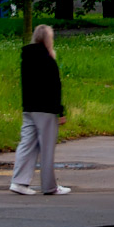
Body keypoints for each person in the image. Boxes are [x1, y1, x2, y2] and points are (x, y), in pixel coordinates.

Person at [9, 24, 70, 196]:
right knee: (47, 149)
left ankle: (18, 182)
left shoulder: (27, 57)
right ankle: (50, 186)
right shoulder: (48, 60)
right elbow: (55, 87)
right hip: (46, 109)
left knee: (26, 144)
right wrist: (60, 111)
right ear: (48, 39)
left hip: (29, 108)